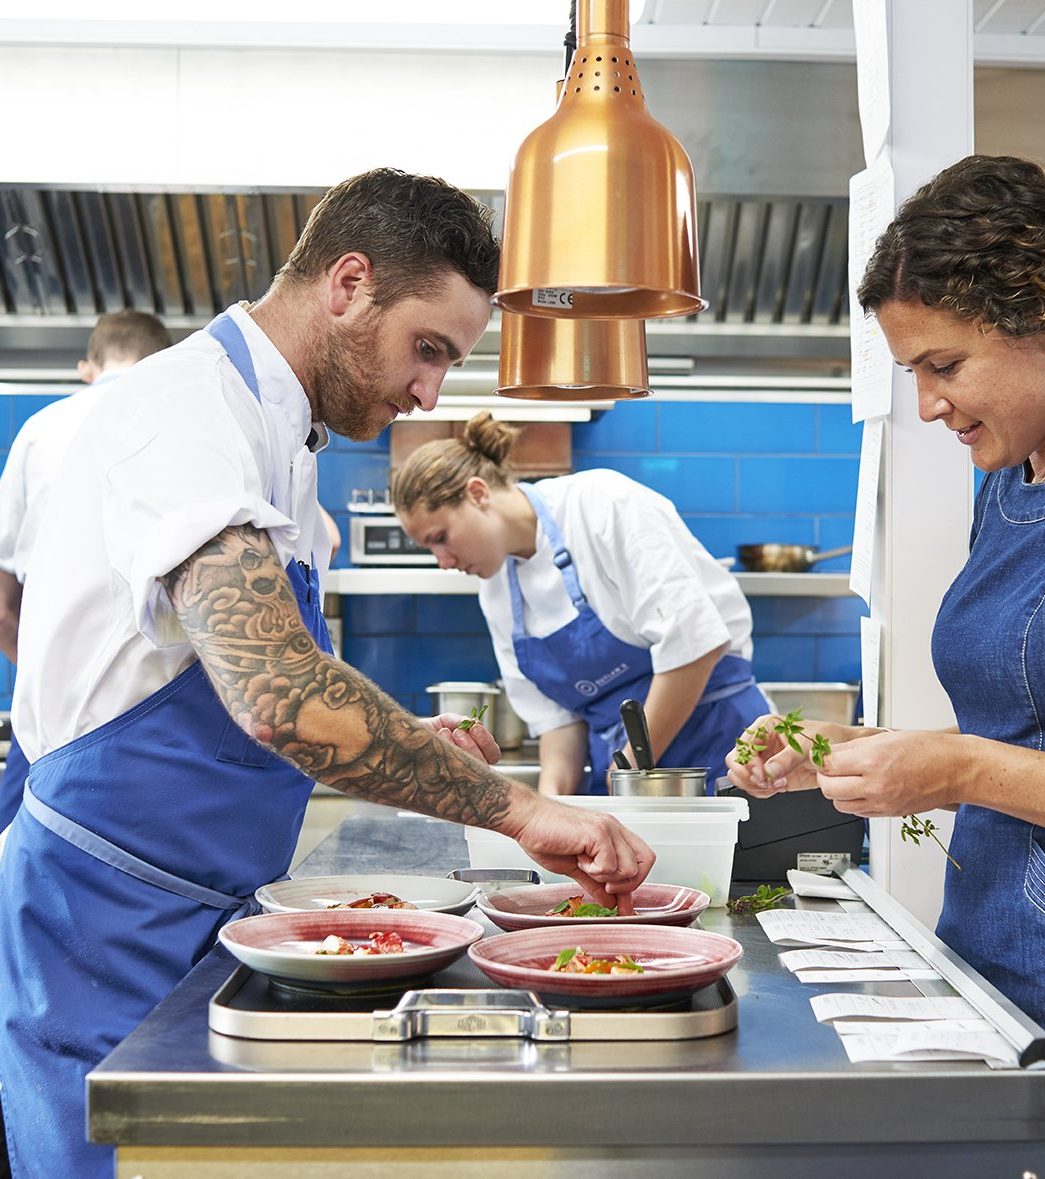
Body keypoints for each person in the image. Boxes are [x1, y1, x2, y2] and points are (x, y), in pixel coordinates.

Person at [0, 167, 653, 1179]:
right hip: (103, 924)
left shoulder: (287, 447)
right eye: (428, 349)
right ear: (348, 285)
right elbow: (280, 697)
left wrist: (401, 744)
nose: (430, 393)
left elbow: (230, 694)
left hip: (211, 915)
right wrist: (519, 811)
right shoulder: (183, 411)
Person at [724, 154, 1045, 1178]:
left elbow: (992, 760)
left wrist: (962, 768)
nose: (928, 404)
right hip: (988, 972)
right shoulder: (1011, 481)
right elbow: (1038, 728)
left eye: (944, 365)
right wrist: (853, 751)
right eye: (913, 374)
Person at [393, 412, 772, 795]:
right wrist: (546, 807)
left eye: (440, 537)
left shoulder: (599, 504)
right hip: (624, 774)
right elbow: (559, 725)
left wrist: (628, 767)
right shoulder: (497, 592)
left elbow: (693, 645)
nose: (443, 562)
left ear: (478, 494)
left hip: (723, 750)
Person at [0, 310, 173, 834]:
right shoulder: (181, 425)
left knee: (19, 853)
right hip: (154, 719)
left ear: (86, 367)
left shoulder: (39, 429)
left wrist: (44, 668)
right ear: (167, 363)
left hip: (47, 719)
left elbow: (2, 605)